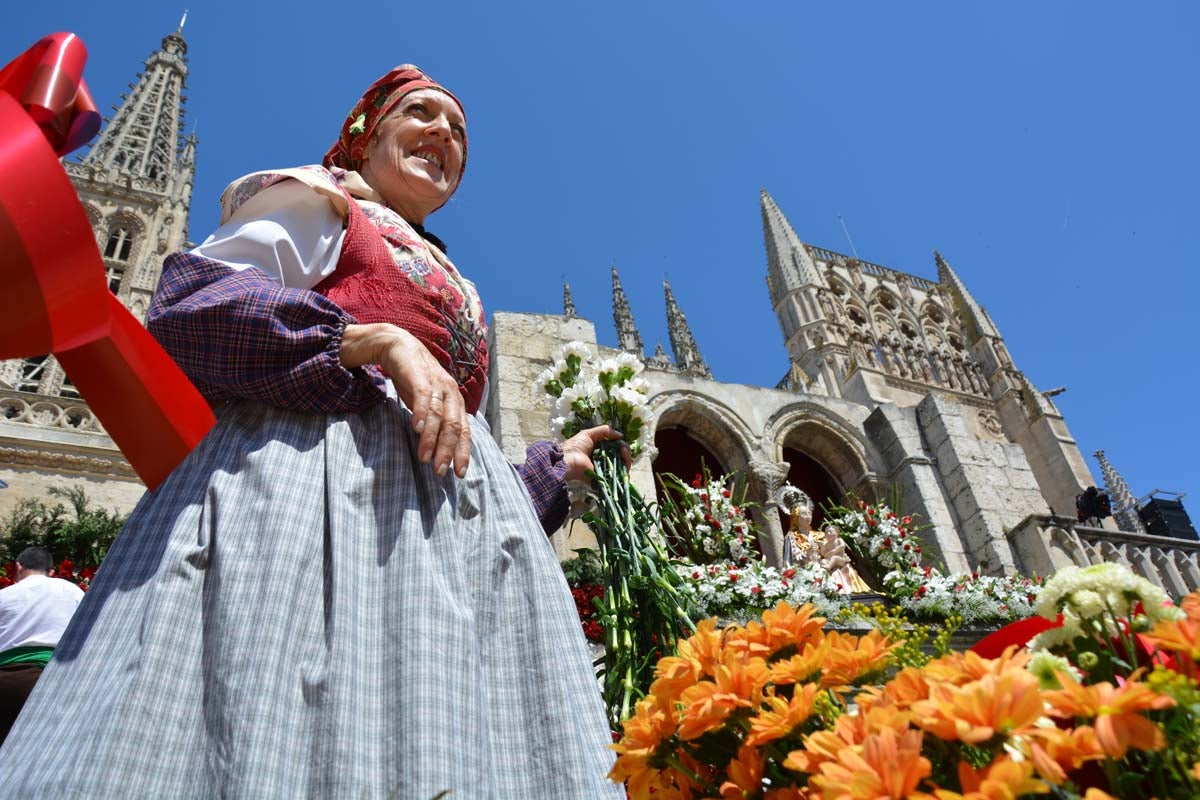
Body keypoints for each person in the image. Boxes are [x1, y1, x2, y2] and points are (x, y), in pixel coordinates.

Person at [0, 65, 624, 798]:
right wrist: (371, 339)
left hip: (433, 551)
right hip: (311, 501)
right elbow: (189, 311)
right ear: (364, 138)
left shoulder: (451, 274)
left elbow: (439, 452)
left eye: (459, 131)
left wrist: (551, 473)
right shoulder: (319, 203)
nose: (445, 135)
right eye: (420, 113)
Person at [0, 547, 84, 744]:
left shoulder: (4, 595)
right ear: (51, 571)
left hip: (6, 681)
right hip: (54, 679)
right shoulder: (70, 590)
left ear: (18, 567)